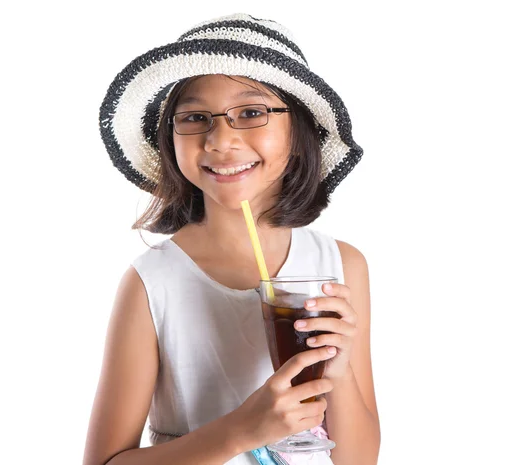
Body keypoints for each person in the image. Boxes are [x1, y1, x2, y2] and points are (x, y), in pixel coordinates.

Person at [84, 13, 380, 465]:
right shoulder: (152, 283)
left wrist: (337, 370)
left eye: (251, 112)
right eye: (196, 117)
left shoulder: (341, 265)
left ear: (299, 133)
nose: (221, 139)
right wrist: (243, 429)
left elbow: (359, 460)